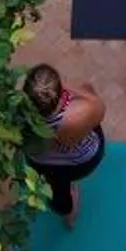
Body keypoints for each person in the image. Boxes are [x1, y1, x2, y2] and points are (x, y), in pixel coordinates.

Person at [20, 64, 109, 229]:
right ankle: (70, 218)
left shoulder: (19, 116)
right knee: (60, 192)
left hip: (42, 163)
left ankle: (68, 214)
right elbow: (97, 105)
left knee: (58, 195)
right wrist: (70, 90)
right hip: (81, 161)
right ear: (60, 96)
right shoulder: (76, 115)